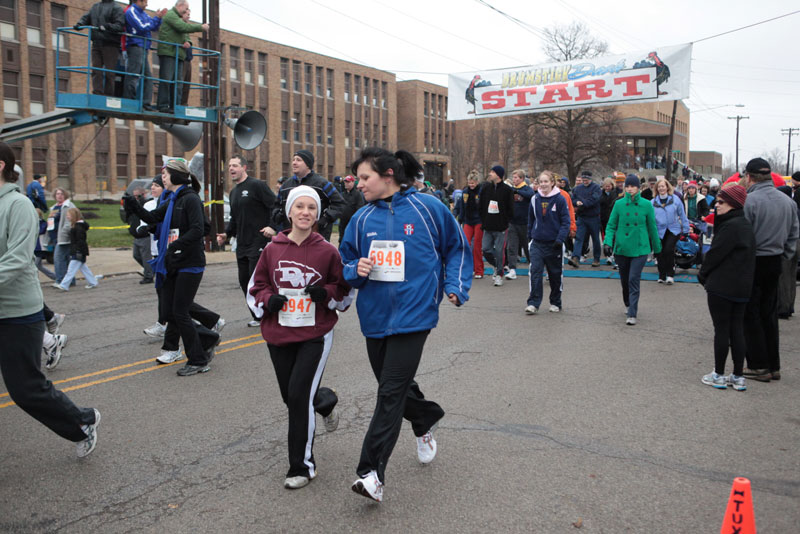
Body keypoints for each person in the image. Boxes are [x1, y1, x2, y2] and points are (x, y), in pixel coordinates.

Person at [340, 147, 471, 503]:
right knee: (391, 385)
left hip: (415, 316)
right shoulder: (362, 219)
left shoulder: (429, 209)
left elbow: (457, 247)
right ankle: (425, 416)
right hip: (375, 317)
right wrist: (355, 270)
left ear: (388, 176)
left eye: (364, 178)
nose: (358, 184)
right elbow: (345, 260)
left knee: (390, 392)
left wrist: (455, 286)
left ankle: (371, 474)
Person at [0, 141, 101, 458]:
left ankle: (83, 422)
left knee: (25, 388)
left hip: (16, 312)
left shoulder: (17, 205)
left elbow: (17, 259)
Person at [247, 185, 351, 490]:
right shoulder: (272, 249)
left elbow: (343, 292)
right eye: (300, 207)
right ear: (289, 212)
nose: (305, 213)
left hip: (315, 334)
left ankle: (302, 467)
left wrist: (326, 294)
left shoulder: (328, 251)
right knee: (292, 397)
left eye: (311, 208)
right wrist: (269, 300)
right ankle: (325, 401)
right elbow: (257, 287)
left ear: (317, 214)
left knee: (298, 397)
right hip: (279, 333)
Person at [125, 159, 220, 376]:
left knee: (180, 312)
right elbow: (152, 218)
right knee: (172, 311)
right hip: (174, 262)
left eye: (165, 174)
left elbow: (198, 229)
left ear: (176, 177)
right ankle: (208, 337)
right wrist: (134, 206)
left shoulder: (190, 199)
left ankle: (197, 359)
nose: (162, 178)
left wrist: (175, 246)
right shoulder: (173, 199)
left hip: (190, 262)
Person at [740, 158, 799, 382]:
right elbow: (794, 235)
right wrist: (784, 255)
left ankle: (758, 365)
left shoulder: (750, 201)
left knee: (751, 313)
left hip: (755, 260)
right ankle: (773, 365)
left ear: (749, 177)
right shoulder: (787, 202)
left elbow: (744, 237)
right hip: (776, 260)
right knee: (769, 312)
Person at [697, 185, 755, 391]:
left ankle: (719, 374)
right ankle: (738, 376)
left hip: (723, 286)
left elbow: (715, 254)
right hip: (742, 287)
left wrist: (702, 274)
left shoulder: (731, 226)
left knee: (722, 330)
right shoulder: (745, 224)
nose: (717, 205)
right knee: (737, 329)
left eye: (721, 202)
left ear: (733, 203)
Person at [216, 155, 276, 327]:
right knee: (244, 281)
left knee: (256, 279)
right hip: (241, 243)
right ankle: (257, 315)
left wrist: (272, 227)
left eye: (235, 165)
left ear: (244, 167)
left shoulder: (257, 186)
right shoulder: (234, 192)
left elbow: (275, 206)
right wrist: (227, 235)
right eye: (229, 166)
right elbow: (235, 219)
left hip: (259, 241)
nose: (231, 169)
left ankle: (268, 313)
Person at [603, 174, 662, 326]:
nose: (629, 189)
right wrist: (607, 242)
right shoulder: (619, 204)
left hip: (640, 248)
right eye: (627, 186)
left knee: (633, 279)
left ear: (638, 187)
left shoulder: (647, 205)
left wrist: (657, 249)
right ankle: (628, 303)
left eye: (633, 186)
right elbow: (610, 225)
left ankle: (632, 313)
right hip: (622, 247)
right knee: (624, 280)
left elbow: (652, 227)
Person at [267, 150, 345, 242]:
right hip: (291, 237)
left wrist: (323, 220)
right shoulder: (285, 186)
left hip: (317, 237)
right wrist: (277, 218)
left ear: (308, 164)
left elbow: (340, 204)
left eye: (298, 160)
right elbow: (277, 205)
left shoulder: (322, 184)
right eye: (293, 160)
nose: (294, 163)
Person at [525, 171, 570, 315]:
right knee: (535, 272)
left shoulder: (560, 199)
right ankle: (533, 303)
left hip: (554, 244)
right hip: (537, 242)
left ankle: (555, 302)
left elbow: (565, 222)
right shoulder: (534, 199)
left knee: (555, 274)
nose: (543, 184)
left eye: (546, 181)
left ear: (552, 183)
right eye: (541, 182)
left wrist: (559, 239)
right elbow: (531, 220)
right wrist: (530, 236)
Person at [155, 0, 208, 113]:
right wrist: (201, 27)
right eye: (186, 9)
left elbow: (185, 34)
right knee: (167, 80)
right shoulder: (171, 15)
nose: (186, 11)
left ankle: (175, 106)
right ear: (180, 6)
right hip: (169, 52)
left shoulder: (178, 19)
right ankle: (163, 105)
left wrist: (188, 42)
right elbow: (183, 28)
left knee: (178, 82)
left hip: (178, 55)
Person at [74, 0, 126, 96]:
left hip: (110, 44)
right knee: (96, 70)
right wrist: (80, 24)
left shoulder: (116, 8)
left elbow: (119, 26)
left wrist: (106, 26)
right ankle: (97, 93)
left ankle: (108, 94)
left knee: (109, 73)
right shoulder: (95, 6)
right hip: (96, 42)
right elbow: (87, 17)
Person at [123, 0, 167, 108]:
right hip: (135, 46)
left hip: (143, 47)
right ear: (138, 1)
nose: (147, 4)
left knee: (148, 77)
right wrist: (155, 19)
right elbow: (142, 27)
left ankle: (146, 103)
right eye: (145, 1)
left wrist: (159, 18)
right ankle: (129, 100)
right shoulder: (131, 11)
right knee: (133, 74)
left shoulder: (144, 13)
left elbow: (153, 27)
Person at [479, 165, 514, 287]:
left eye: (492, 172)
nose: (490, 174)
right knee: (485, 249)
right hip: (487, 226)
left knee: (499, 251)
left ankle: (499, 275)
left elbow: (511, 208)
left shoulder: (507, 190)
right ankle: (497, 266)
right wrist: (483, 220)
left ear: (499, 175)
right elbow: (481, 206)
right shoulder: (485, 188)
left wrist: (506, 222)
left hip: (501, 227)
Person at [652, 178, 689, 285]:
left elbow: (682, 215)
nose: (661, 188)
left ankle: (670, 275)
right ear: (657, 189)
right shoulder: (653, 202)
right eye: (659, 187)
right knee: (659, 252)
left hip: (673, 229)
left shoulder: (676, 199)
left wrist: (686, 229)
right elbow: (650, 219)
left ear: (667, 187)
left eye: (663, 186)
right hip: (659, 230)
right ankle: (661, 275)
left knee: (668, 250)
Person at [53, 208, 100, 291]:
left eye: (68, 215)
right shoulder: (77, 226)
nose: (67, 217)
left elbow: (80, 241)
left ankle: (64, 285)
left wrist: (78, 251)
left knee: (71, 269)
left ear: (73, 216)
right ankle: (93, 282)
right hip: (79, 251)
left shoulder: (78, 228)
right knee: (84, 268)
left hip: (78, 251)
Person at [569, 170, 603, 268]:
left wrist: (582, 203)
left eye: (587, 179)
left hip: (593, 217)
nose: (585, 181)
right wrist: (577, 203)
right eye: (583, 179)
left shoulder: (596, 188)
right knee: (579, 238)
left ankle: (596, 259)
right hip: (582, 217)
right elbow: (573, 199)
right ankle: (576, 257)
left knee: (596, 239)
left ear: (590, 179)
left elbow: (594, 200)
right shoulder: (577, 188)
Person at [454, 170, 484, 279]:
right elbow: (461, 206)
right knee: (465, 244)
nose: (471, 185)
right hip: (468, 220)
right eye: (469, 183)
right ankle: (468, 269)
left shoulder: (481, 191)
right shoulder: (465, 192)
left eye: (473, 183)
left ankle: (479, 270)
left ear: (477, 182)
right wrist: (460, 219)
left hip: (479, 221)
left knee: (476, 246)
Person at [506, 169, 533, 278]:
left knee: (527, 247)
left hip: (524, 223)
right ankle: (512, 269)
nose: (514, 179)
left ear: (522, 178)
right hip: (513, 222)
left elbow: (530, 194)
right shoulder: (511, 190)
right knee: (511, 246)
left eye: (516, 177)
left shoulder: (526, 189)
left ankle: (533, 265)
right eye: (513, 177)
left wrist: (517, 191)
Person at [49, 188, 76, 286]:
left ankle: (60, 280)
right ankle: (70, 281)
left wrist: (64, 233)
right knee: (67, 259)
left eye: (61, 194)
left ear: (65, 195)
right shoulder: (54, 208)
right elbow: (51, 221)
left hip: (64, 238)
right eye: (57, 194)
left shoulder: (68, 206)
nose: (59, 196)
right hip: (54, 237)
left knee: (58, 259)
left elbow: (70, 221)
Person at [128, 185, 154, 284]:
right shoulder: (134, 206)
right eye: (134, 196)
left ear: (142, 195)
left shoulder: (145, 205)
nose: (135, 198)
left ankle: (148, 275)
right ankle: (151, 270)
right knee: (136, 255)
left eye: (137, 196)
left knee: (146, 257)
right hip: (136, 235)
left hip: (144, 236)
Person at [338, 175, 365, 245]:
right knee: (341, 240)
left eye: (348, 182)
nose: (346, 184)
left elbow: (360, 208)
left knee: (352, 240)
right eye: (345, 182)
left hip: (352, 222)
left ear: (353, 182)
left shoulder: (357, 194)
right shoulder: (343, 194)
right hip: (342, 222)